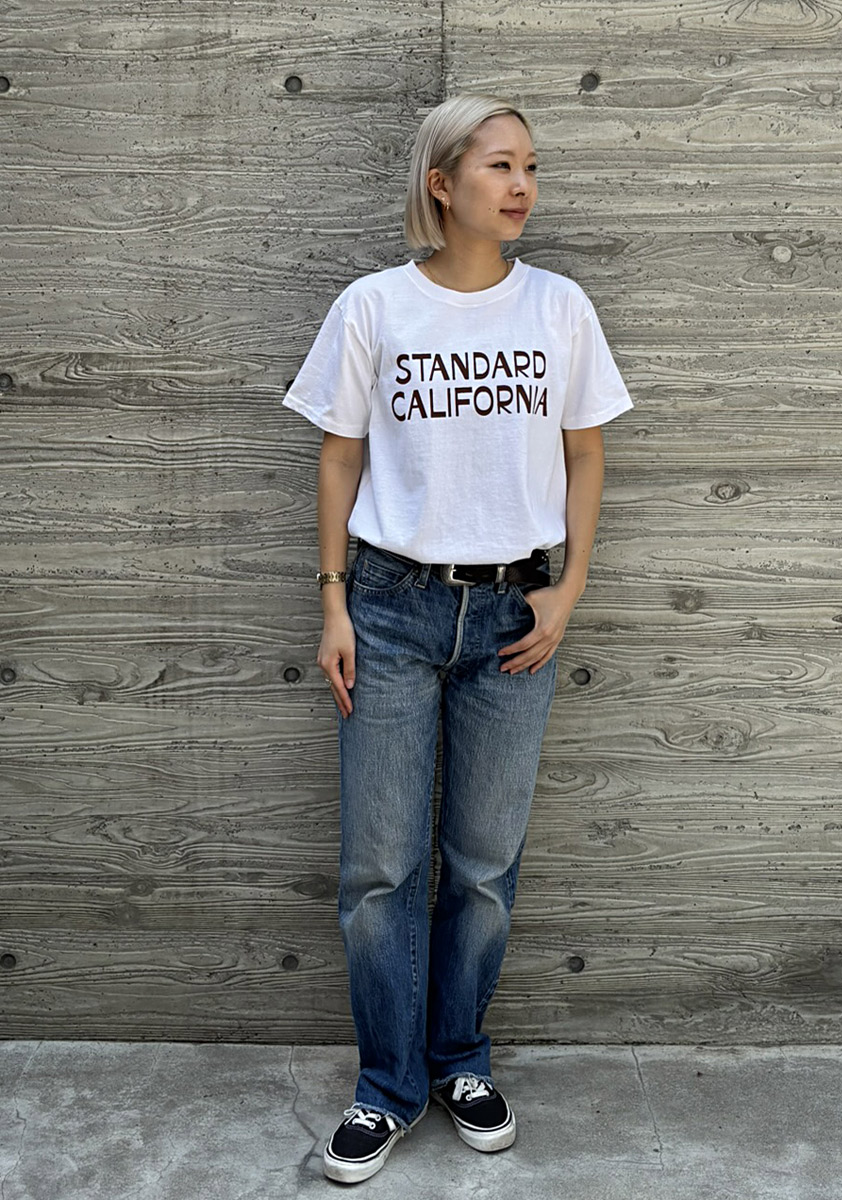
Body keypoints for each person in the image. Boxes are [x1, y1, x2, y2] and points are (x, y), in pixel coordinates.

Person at [281, 93, 634, 1185]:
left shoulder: (559, 307)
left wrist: (569, 589)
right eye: (498, 166)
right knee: (380, 867)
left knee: (483, 865)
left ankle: (459, 1060)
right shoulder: (375, 306)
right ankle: (387, 1085)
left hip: (516, 617)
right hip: (391, 609)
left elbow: (585, 453)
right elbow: (339, 456)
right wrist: (334, 603)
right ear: (442, 183)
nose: (521, 185)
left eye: (530, 166)